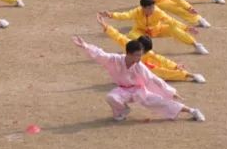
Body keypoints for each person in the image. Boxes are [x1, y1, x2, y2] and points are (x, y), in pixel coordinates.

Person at [71, 34, 205, 122]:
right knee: (111, 97)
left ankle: (192, 111)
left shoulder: (140, 66)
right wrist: (85, 46)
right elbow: (100, 54)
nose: (139, 58)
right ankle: (122, 111)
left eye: (140, 55)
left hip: (139, 90)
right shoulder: (115, 59)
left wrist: (170, 91)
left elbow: (153, 79)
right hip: (123, 90)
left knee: (160, 101)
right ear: (128, 53)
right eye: (136, 55)